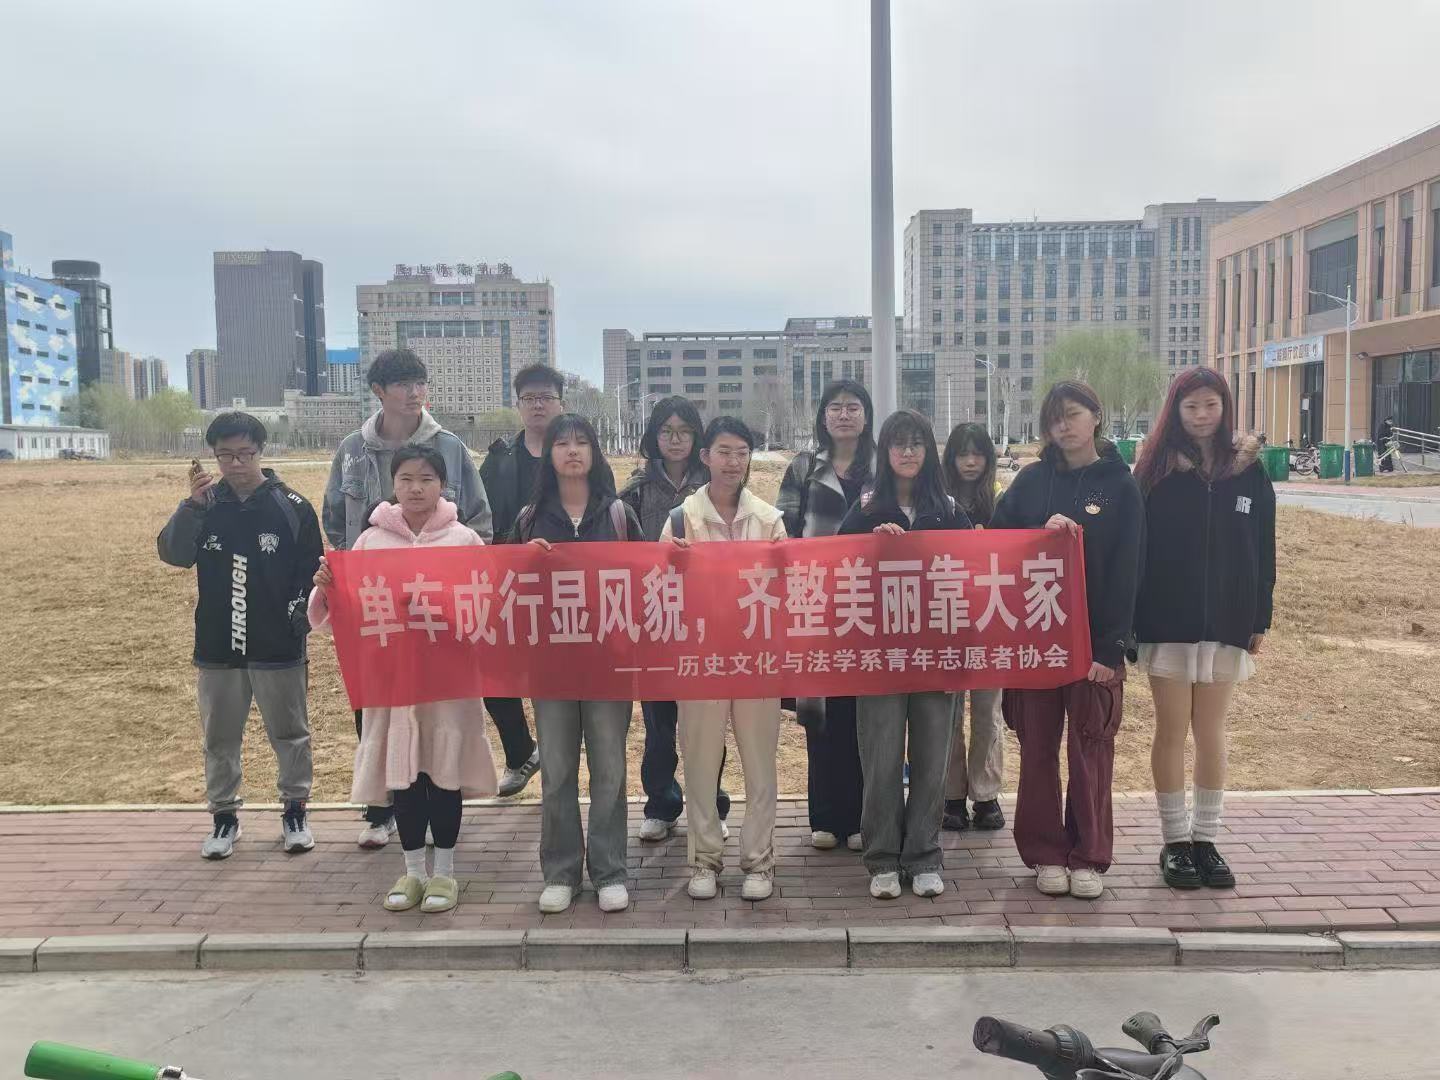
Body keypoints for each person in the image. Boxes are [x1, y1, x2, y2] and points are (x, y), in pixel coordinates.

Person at [310, 446, 498, 914]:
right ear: (392, 484)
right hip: (392, 682)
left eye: (427, 479)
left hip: (449, 681)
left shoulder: (464, 541)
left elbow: (488, 606)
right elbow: (349, 612)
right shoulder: (371, 542)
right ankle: (413, 871)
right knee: (405, 777)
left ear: (443, 486)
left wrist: (443, 609)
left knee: (445, 775)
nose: (417, 488)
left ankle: (445, 873)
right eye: (407, 479)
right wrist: (328, 587)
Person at [323, 348, 493, 850]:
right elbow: (335, 516)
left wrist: (454, 576)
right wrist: (354, 575)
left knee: (442, 712)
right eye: (403, 384)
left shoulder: (450, 447)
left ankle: (440, 807)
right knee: (377, 705)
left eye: (420, 383)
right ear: (379, 391)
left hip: (441, 615)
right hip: (378, 610)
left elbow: (479, 518)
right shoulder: (352, 449)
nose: (414, 393)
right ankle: (381, 809)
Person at [990, 381, 1144, 900]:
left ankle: (1089, 856)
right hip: (1036, 641)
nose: (1064, 425)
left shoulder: (1120, 485)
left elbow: (1128, 569)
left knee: (1090, 748)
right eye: (1055, 417)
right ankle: (1044, 852)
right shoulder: (1032, 481)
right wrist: (1041, 530)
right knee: (1037, 747)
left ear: (1096, 416)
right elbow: (995, 543)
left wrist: (1111, 648)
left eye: (1073, 414)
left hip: (1092, 645)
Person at [1133, 368, 1275, 891]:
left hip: (1228, 619)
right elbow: (1136, 547)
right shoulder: (1155, 469)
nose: (1200, 415)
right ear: (1175, 410)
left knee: (1211, 731)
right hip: (1166, 619)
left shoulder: (1249, 471)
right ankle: (1175, 842)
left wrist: (1259, 615)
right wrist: (1131, 618)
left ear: (1224, 407)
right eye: (1190, 406)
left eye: (1210, 405)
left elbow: (1264, 546)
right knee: (1171, 729)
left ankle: (1206, 840)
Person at [157, 412, 320, 860]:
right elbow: (173, 554)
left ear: (261, 451)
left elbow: (312, 570)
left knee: (290, 733)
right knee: (220, 736)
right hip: (217, 643)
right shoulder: (206, 505)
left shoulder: (293, 505)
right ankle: (224, 817)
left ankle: (295, 811)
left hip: (278, 643)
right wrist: (191, 506)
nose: (236, 464)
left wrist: (300, 615)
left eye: (245, 453)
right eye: (225, 455)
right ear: (213, 456)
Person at [515, 413, 644, 915]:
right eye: (562, 443)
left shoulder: (618, 515)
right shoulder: (530, 518)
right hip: (551, 667)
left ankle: (610, 870)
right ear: (548, 454)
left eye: (582, 442)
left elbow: (647, 579)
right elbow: (504, 586)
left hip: (610, 664)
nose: (572, 451)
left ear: (595, 452)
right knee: (557, 771)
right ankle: (561, 872)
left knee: (609, 769)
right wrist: (524, 559)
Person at [839, 410, 971, 899]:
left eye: (917, 442)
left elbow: (974, 576)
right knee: (881, 758)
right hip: (881, 658)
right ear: (885, 451)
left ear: (929, 451)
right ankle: (881, 858)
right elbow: (836, 567)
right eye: (899, 443)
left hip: (937, 656)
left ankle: (924, 855)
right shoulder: (866, 507)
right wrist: (872, 548)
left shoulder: (950, 510)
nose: (908, 452)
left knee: (933, 759)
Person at [660, 416, 788, 901]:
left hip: (756, 661)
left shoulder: (770, 520)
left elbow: (787, 590)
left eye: (741, 452)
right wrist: (669, 561)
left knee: (761, 766)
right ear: (706, 456)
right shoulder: (681, 520)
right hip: (702, 661)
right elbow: (660, 591)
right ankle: (705, 860)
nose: (733, 462)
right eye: (724, 451)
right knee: (699, 764)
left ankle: (759, 861)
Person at [620, 396, 728, 843]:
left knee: (707, 723)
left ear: (697, 437)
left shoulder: (717, 485)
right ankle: (661, 804)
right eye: (667, 431)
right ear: (654, 437)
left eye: (685, 431)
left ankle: (712, 803)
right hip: (655, 622)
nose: (676, 439)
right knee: (658, 725)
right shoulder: (636, 491)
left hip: (706, 620)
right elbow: (621, 554)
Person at [777, 379, 875, 853]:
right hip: (814, 601)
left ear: (866, 415)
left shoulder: (881, 466)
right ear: (822, 417)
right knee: (819, 712)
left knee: (861, 713)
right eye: (835, 407)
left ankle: (858, 818)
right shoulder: (803, 467)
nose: (843, 415)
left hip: (869, 605)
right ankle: (825, 815)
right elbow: (783, 530)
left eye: (853, 407)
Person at [478, 363, 571, 799]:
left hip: (563, 588)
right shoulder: (499, 459)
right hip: (507, 585)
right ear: (518, 405)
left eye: (546, 397)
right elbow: (479, 518)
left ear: (560, 403)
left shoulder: (575, 453)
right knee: (493, 673)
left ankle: (558, 771)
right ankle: (521, 752)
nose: (538, 405)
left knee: (554, 681)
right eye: (529, 398)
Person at [939, 422, 1007, 833]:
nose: (970, 461)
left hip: (990, 621)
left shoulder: (1002, 501)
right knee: (947, 712)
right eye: (962, 453)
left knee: (987, 711)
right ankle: (950, 795)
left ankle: (986, 794)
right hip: (945, 621)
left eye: (977, 453)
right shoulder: (936, 502)